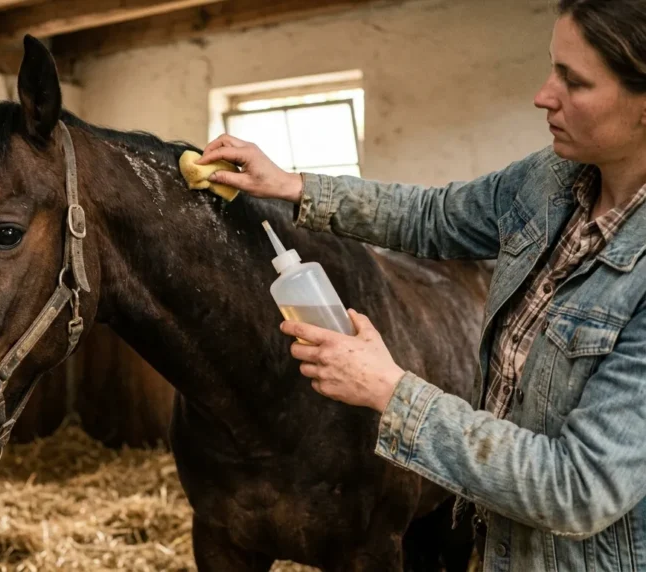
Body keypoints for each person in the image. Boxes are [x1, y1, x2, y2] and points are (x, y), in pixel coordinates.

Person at [197, 1, 646, 570]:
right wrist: (292, 185)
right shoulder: (553, 179)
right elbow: (435, 215)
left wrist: (390, 390)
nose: (544, 95)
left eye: (574, 81)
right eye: (552, 67)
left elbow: (578, 490)